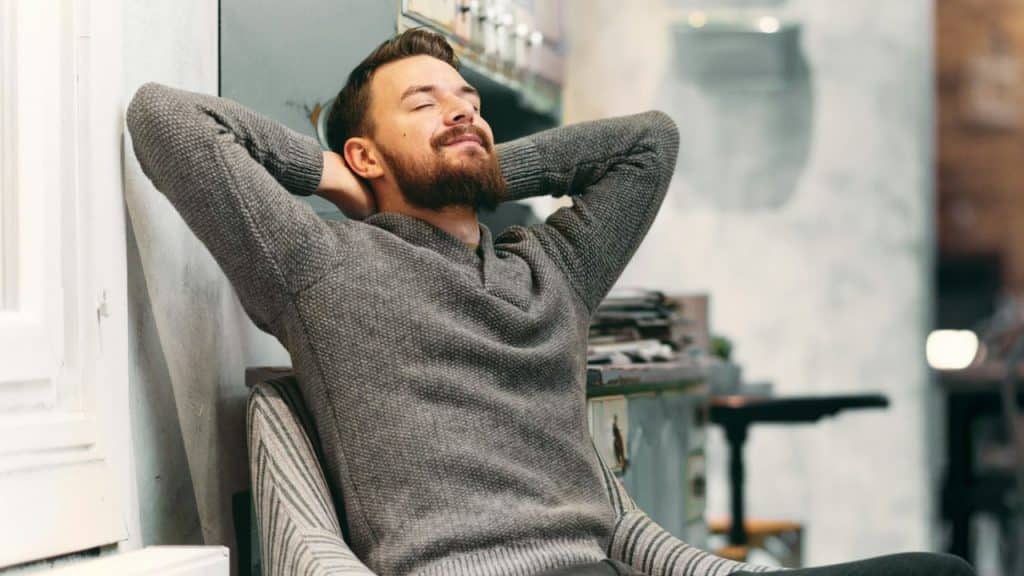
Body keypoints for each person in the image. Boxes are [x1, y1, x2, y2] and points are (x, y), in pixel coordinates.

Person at [126, 27, 975, 576]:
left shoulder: (552, 269)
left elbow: (648, 143)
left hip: (608, 570)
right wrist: (333, 177)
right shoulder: (319, 262)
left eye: (471, 106)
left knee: (940, 572)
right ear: (365, 152)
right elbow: (164, 119)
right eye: (424, 105)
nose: (464, 116)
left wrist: (480, 164)